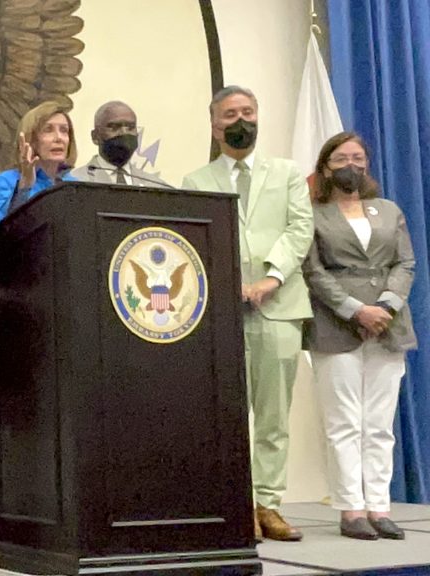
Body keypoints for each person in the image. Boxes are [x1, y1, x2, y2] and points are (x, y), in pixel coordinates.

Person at [182, 85, 313, 542]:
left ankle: (269, 505)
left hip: (279, 307)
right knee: (228, 416)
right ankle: (237, 507)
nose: (241, 120)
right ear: (214, 124)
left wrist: (270, 279)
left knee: (274, 417)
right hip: (221, 312)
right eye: (230, 113)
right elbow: (193, 245)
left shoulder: (288, 172)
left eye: (248, 111)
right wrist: (227, 284)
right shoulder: (196, 182)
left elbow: (300, 228)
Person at [302, 132, 416, 541]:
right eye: (342, 157)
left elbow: (405, 262)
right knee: (344, 422)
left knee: (379, 424)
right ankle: (351, 509)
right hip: (336, 325)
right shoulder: (313, 214)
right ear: (326, 166)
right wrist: (356, 310)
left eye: (359, 157)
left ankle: (379, 507)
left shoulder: (388, 210)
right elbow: (313, 272)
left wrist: (384, 307)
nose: (352, 164)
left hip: (389, 325)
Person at [0, 101, 78, 226]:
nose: (59, 138)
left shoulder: (75, 184)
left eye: (64, 130)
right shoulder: (7, 181)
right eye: (48, 130)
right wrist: (24, 187)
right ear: (31, 139)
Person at [69, 100, 167, 187]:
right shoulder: (74, 183)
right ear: (95, 137)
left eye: (130, 127)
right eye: (114, 127)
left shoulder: (157, 186)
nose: (124, 133)